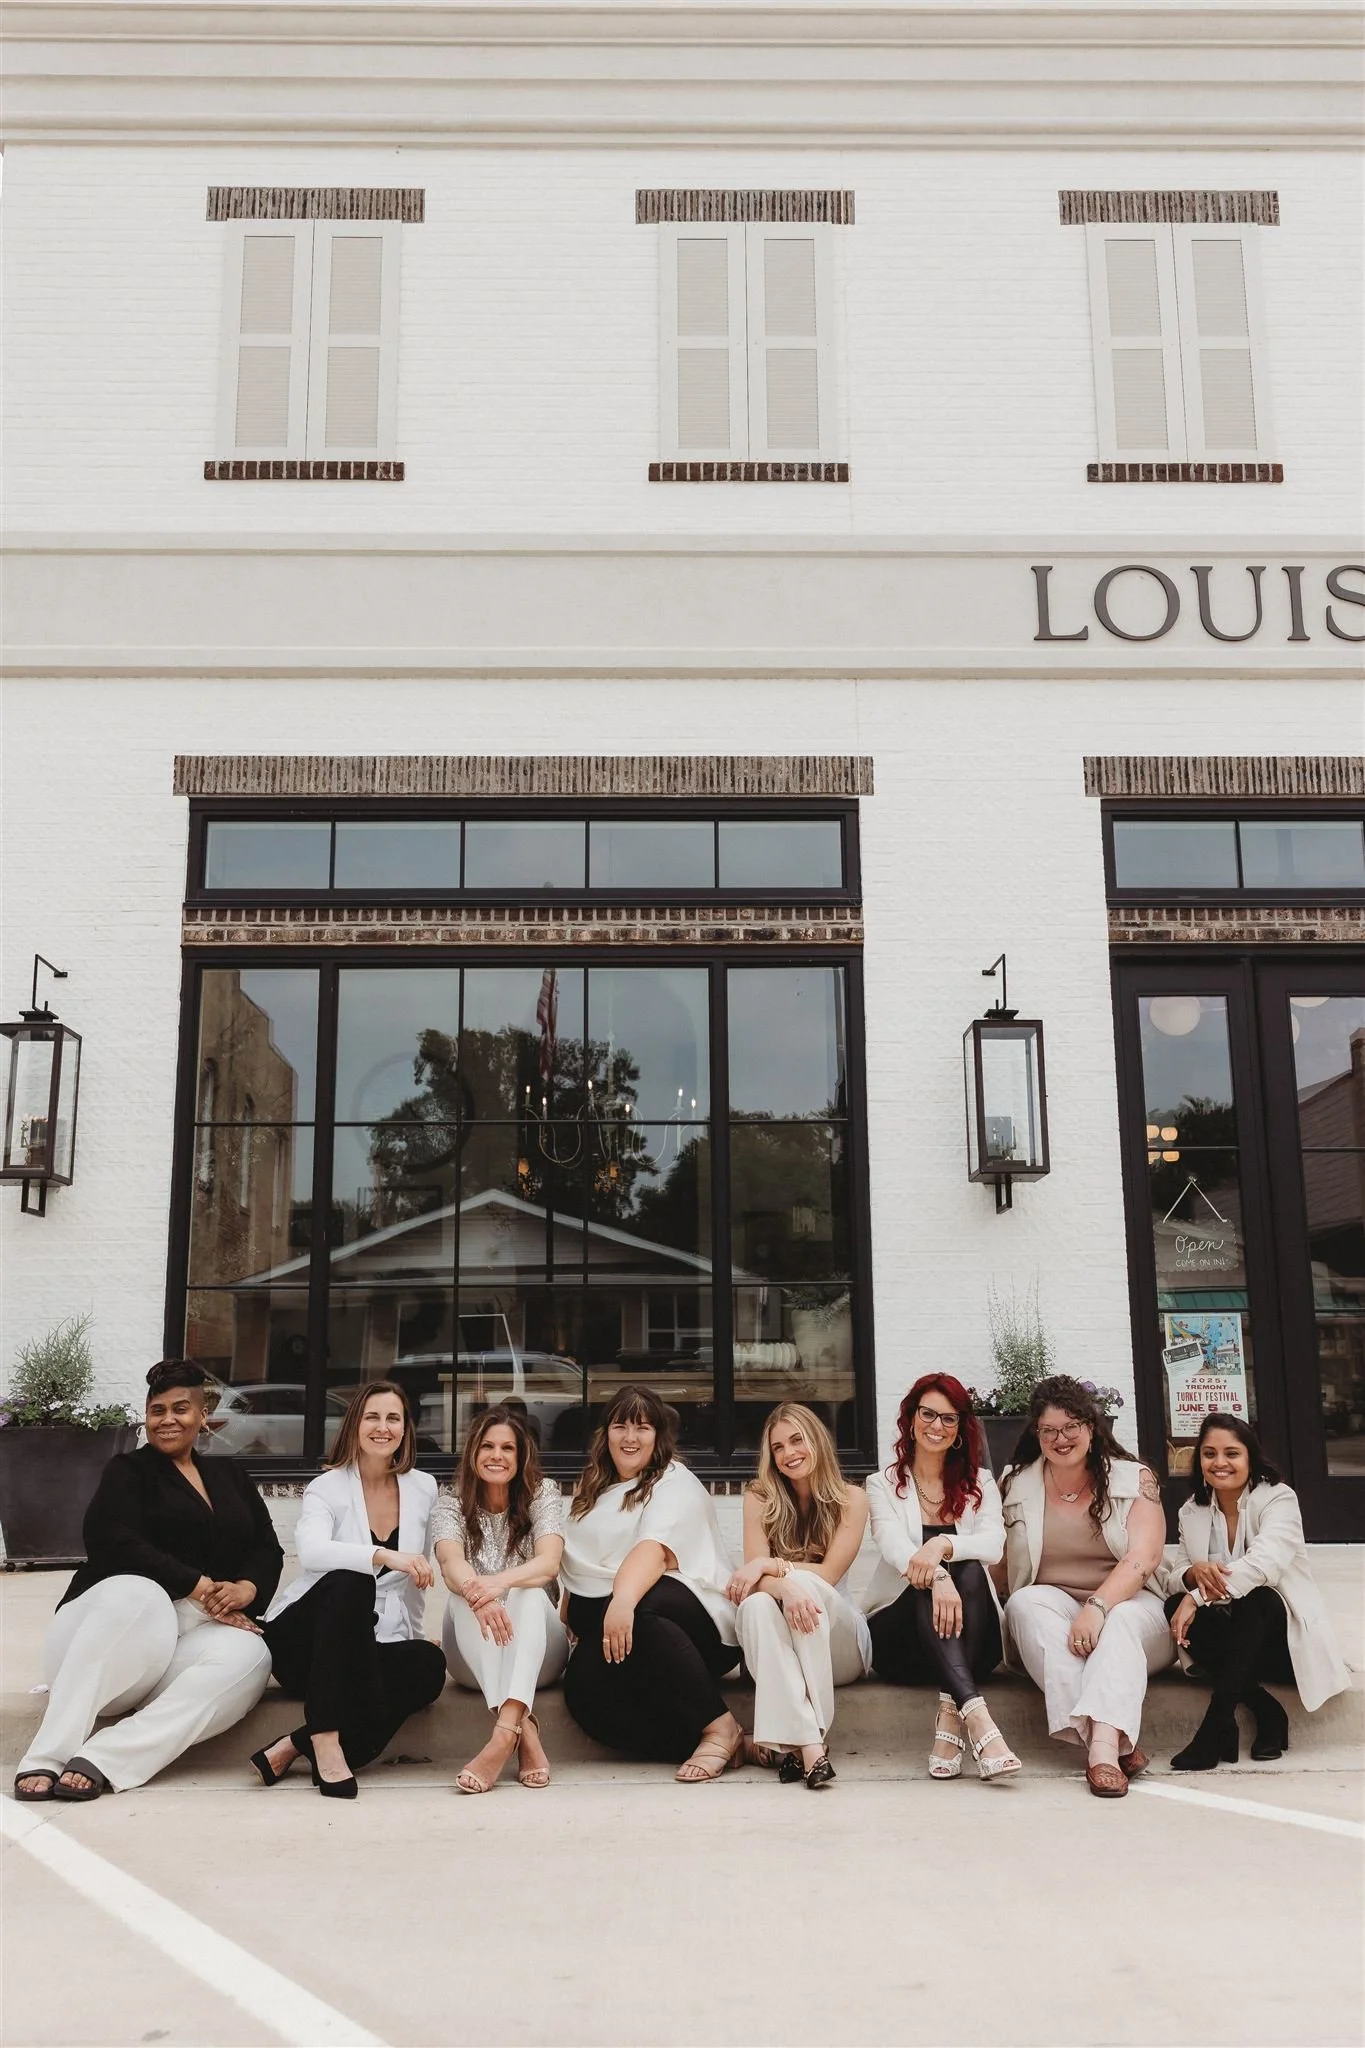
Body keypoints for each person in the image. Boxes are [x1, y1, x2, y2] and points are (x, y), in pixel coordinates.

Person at [14, 1360, 281, 1802]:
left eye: (180, 1408)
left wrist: (246, 1589)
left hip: (170, 1655)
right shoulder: (127, 1471)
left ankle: (106, 1758)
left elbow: (267, 1547)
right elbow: (112, 1541)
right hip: (102, 1638)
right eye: (157, 1410)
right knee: (140, 1591)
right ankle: (48, 1755)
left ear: (203, 1416)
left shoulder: (230, 1475)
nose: (168, 1419)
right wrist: (201, 1588)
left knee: (251, 1655)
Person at [252, 1381, 445, 1799]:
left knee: (429, 1664)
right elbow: (312, 1552)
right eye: (372, 1417)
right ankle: (322, 1736)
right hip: (305, 1642)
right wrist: (383, 1555)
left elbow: (414, 1584)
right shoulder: (328, 1487)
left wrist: (412, 1636)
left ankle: (293, 1744)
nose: (382, 1427)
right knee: (350, 1580)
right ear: (355, 1424)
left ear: (405, 1428)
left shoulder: (423, 1487)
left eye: (393, 1418)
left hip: (365, 1647)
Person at [998, 1375, 1170, 1798]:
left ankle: (1103, 1754)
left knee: (1122, 1620)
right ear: (1036, 1434)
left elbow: (1143, 1557)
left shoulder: (1133, 1478)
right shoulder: (1015, 1484)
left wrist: (1097, 1606)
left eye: (1071, 1426)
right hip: (1056, 1614)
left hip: (1134, 1606)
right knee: (1024, 1601)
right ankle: (1105, 1735)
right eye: (1049, 1430)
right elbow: (999, 1568)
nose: (1061, 1438)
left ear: (1091, 1428)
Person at [560, 1386, 743, 1782]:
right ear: (605, 1433)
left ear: (659, 1435)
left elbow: (655, 1551)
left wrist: (621, 1601)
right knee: (581, 1687)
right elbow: (579, 1559)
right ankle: (702, 1743)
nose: (630, 1437)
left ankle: (720, 1725)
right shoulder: (592, 1490)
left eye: (642, 1427)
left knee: (643, 1604)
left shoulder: (673, 1481)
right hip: (630, 1636)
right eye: (620, 1425)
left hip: (697, 1628)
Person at [1163, 1412, 1350, 1770]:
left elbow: (1263, 1566)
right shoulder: (1192, 1510)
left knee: (1257, 1599)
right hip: (1233, 1648)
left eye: (1231, 1453)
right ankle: (1268, 1712)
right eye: (1209, 1453)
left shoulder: (1279, 1499)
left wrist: (1198, 1596)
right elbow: (1175, 1576)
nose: (1219, 1463)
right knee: (1172, 1603)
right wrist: (1192, 1576)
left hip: (1282, 1646)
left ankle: (1215, 1726)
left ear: (1250, 1457)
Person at [863, 1375, 1019, 1781]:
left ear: (960, 1430)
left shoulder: (981, 1483)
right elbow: (895, 1549)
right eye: (928, 1414)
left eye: (948, 1419)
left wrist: (942, 1547)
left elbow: (992, 1545)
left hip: (974, 1638)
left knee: (967, 1567)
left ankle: (955, 1713)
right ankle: (980, 1721)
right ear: (911, 1420)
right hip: (901, 1643)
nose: (937, 1426)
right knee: (922, 1585)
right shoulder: (881, 1485)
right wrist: (935, 1576)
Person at [727, 1403, 871, 1789]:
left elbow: (828, 1574)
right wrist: (780, 1583)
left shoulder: (852, 1498)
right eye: (778, 1448)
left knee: (806, 1586)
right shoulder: (759, 1497)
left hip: (840, 1645)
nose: (789, 1454)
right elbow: (753, 1583)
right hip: (782, 1639)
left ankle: (792, 1745)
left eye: (796, 1440)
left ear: (817, 1440)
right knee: (757, 1603)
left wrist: (773, 1567)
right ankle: (810, 1747)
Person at [432, 1404, 569, 1793]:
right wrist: (480, 1593)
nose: (497, 1456)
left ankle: (502, 1734)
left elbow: (549, 1564)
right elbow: (449, 1561)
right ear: (473, 1453)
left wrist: (500, 1584)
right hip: (471, 1656)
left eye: (507, 1448)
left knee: (527, 1592)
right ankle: (521, 1731)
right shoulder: (451, 1499)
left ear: (520, 1455)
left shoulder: (543, 1494)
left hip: (540, 1652)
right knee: (462, 1593)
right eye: (488, 1446)